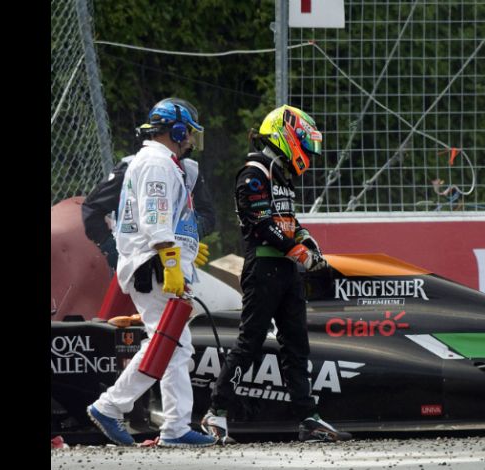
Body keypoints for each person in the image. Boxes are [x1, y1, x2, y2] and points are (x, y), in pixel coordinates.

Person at [200, 105, 352, 443]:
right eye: (305, 145)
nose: (308, 155)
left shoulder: (281, 174)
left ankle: (308, 418)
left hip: (286, 270)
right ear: (286, 137)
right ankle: (217, 413)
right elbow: (261, 222)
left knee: (297, 345)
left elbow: (284, 220)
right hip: (264, 268)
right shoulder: (253, 171)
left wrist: (304, 236)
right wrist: (299, 251)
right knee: (250, 343)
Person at [86, 98, 217, 448]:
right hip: (156, 264)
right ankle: (111, 406)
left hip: (156, 262)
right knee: (167, 342)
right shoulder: (157, 163)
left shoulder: (157, 162)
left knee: (173, 346)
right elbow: (156, 217)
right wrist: (171, 262)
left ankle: (174, 426)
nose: (190, 139)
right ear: (175, 130)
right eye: (188, 132)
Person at [82, 98, 216, 271]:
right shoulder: (135, 167)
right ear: (178, 132)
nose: (191, 141)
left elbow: (208, 215)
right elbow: (91, 210)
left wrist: (187, 239)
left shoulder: (190, 171)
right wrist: (112, 250)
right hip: (140, 260)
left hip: (172, 258)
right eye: (189, 133)